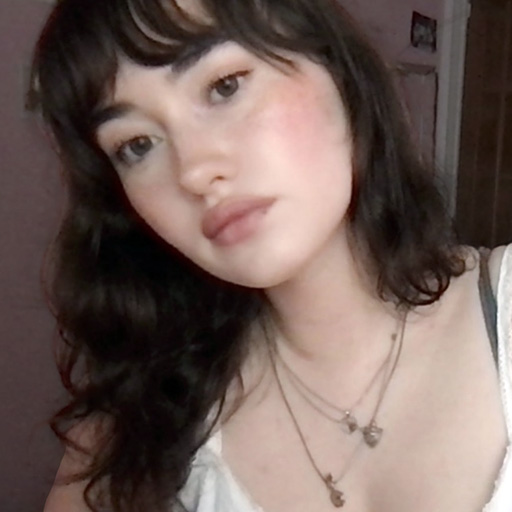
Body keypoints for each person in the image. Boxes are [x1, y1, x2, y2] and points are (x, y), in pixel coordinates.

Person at [32, 0, 512, 511]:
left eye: (225, 86)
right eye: (136, 145)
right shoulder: (135, 428)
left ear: (337, 69)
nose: (194, 171)